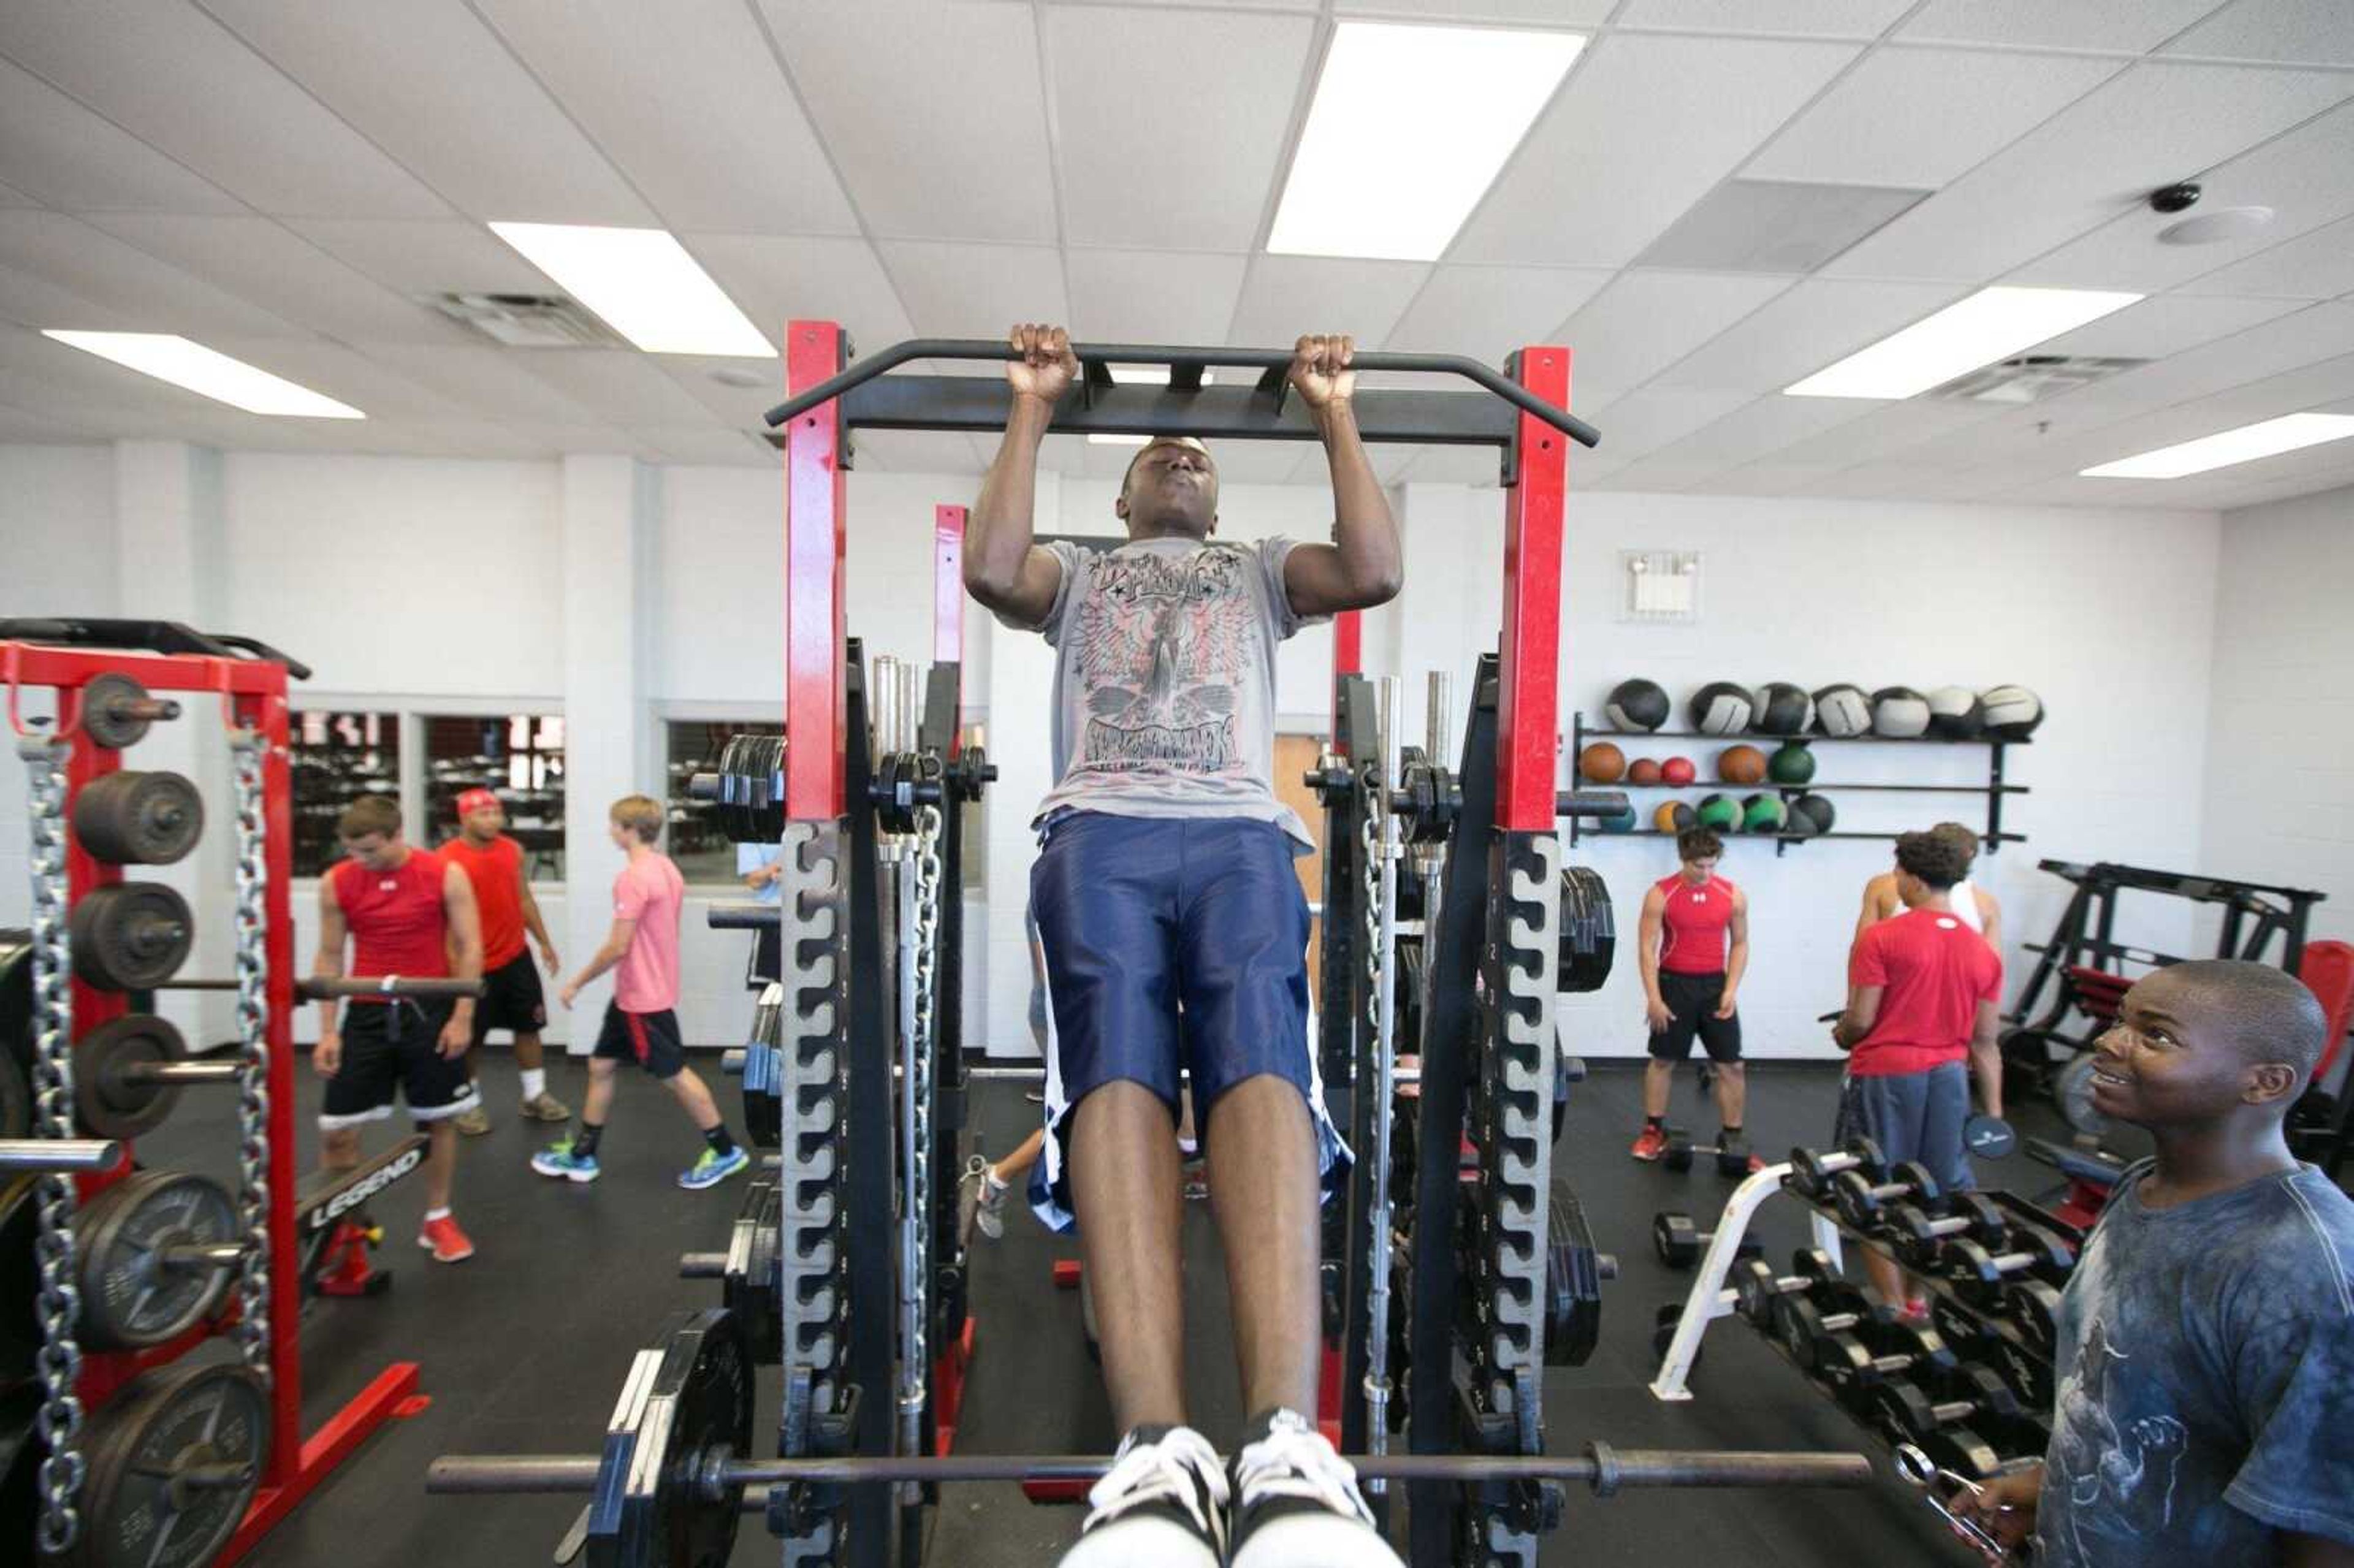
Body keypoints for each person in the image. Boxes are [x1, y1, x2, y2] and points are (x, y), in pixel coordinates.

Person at [964, 323, 1402, 1568]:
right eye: (1161, 457)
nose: (1183, 461)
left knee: (1267, 1042)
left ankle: (1285, 1446)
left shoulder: (1261, 571)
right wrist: (1031, 403)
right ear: (1119, 497)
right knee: (1112, 1059)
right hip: (1098, 826)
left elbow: (1373, 568)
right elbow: (995, 568)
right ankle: (1153, 1451)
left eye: (1201, 459)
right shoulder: (1083, 575)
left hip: (1237, 834)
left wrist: (1333, 408)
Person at [1950, 961, 2354, 1566]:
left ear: (2266, 1082)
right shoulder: (2143, 1187)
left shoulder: (2306, 1269)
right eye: (2121, 1021)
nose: (2109, 1043)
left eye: (2156, 1034)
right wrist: (2052, 1491)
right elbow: (2144, 1406)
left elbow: (2323, 1530)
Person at [531, 795, 749, 1190]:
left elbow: (618, 946)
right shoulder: (666, 868)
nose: (609, 831)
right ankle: (583, 1154)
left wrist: (576, 982)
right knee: (601, 1065)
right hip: (639, 992)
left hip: (642, 999)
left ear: (629, 830)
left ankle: (724, 1150)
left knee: (675, 1075)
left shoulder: (633, 878)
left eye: (614, 825)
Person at [1829, 828, 2004, 1318]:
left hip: (1887, 1076)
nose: (1897, 881)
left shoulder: (1882, 938)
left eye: (1899, 873)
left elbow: (1861, 1021)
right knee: (1937, 1193)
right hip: (1949, 1078)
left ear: (1912, 879)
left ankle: (1890, 1305)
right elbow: (1986, 1041)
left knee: (1875, 1187)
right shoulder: (1981, 950)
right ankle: (1919, 1299)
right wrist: (1993, 1113)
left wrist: (1842, 1035)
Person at [311, 794, 484, 1264]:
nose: (359, 859)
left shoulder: (443, 874)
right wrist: (328, 1031)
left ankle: (438, 1217)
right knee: (338, 1131)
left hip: (428, 1008)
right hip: (365, 1013)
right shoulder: (337, 882)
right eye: (352, 850)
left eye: (368, 850)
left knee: (438, 1120)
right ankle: (346, 1232)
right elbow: (328, 957)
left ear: (396, 836)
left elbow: (470, 947)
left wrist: (462, 1016)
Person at [437, 788, 568, 1132]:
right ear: (464, 818)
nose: (493, 820)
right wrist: (453, 973)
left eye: (496, 813)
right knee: (470, 1038)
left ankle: (535, 1096)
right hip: (472, 965)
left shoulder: (512, 851)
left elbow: (523, 899)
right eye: (483, 814)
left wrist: (544, 942)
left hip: (515, 956)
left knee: (529, 1027)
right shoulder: (447, 860)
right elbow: (443, 921)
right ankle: (468, 1103)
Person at [1631, 828, 1753, 1165]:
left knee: (1733, 1065)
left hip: (1715, 987)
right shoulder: (1661, 894)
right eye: (1700, 866)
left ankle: (1734, 1138)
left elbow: (1741, 943)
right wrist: (1653, 997)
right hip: (1674, 985)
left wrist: (1730, 989)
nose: (1706, 873)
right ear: (1684, 860)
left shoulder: (1732, 896)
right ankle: (1653, 1130)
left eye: (1712, 866)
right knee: (1662, 1061)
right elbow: (1646, 948)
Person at [1855, 820, 2001, 950]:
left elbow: (1861, 950)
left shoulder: (1883, 886)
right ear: (1969, 856)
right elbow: (1995, 968)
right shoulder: (1986, 904)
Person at [738, 827, 785, 989]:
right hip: (771, 918)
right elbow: (754, 881)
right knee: (769, 992)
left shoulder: (814, 820)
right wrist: (782, 863)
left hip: (811, 914)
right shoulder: (752, 827)